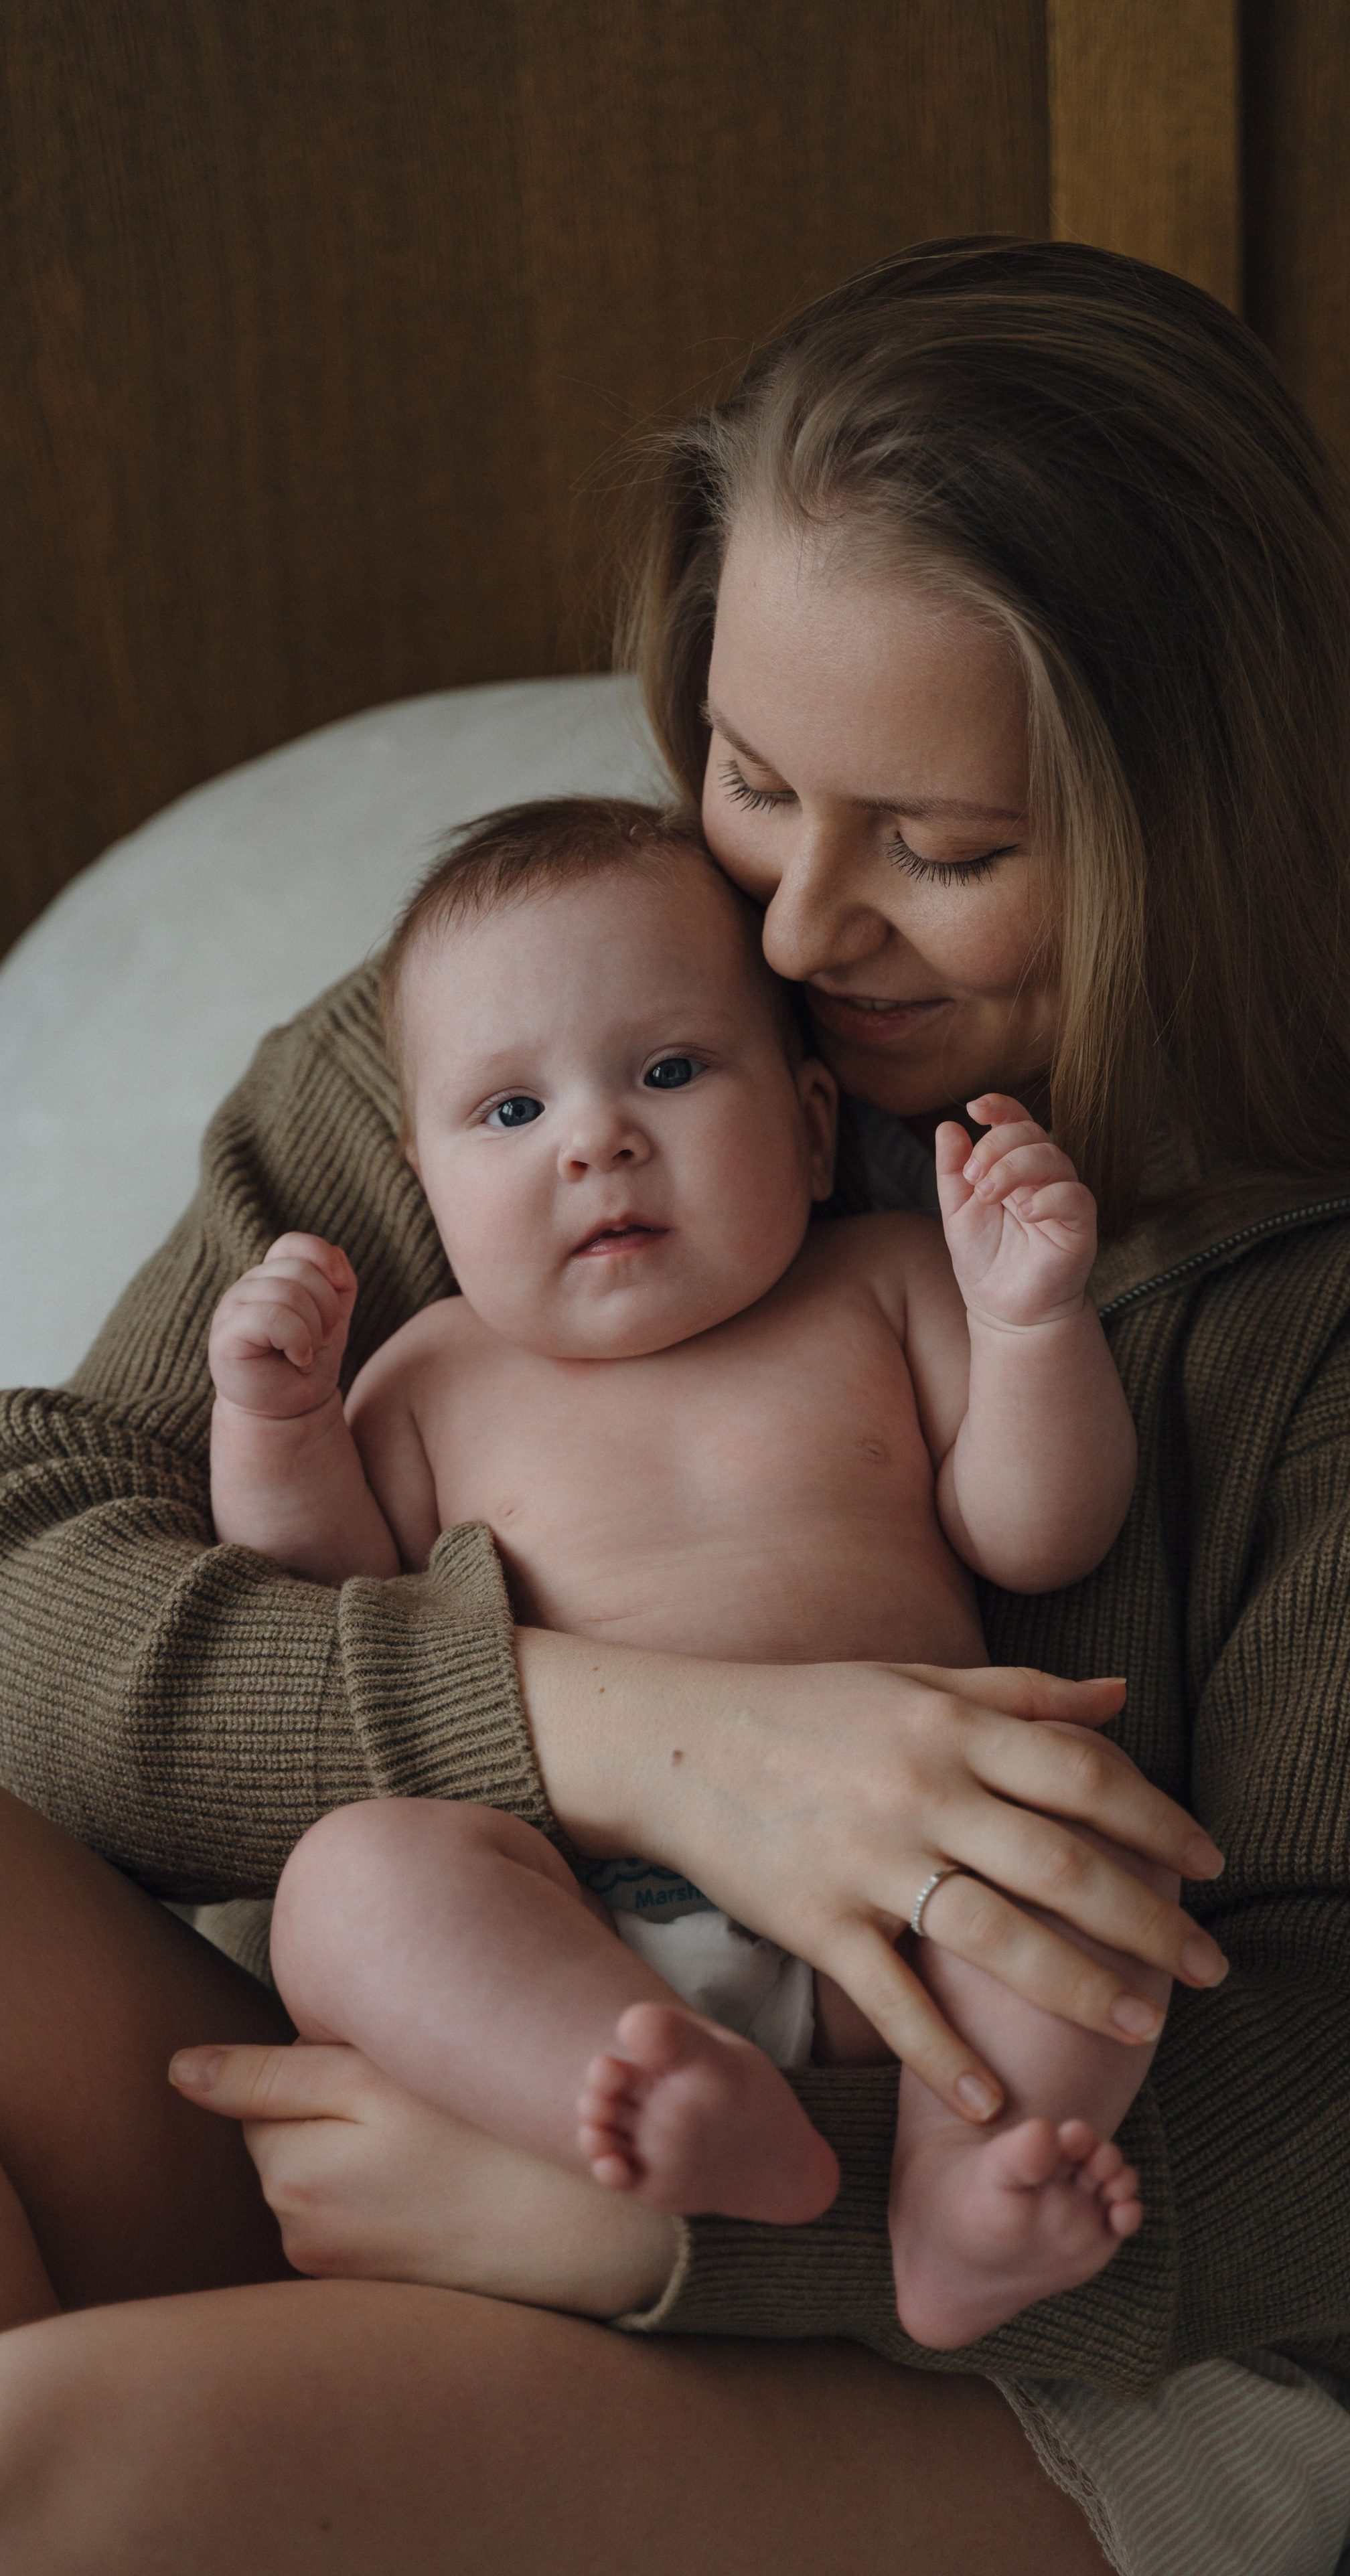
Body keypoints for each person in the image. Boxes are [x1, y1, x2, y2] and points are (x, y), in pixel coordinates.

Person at [0, 236, 1350, 2575]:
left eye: (948, 849)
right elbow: (29, 1584)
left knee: (47, 2461)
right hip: (434, 2065)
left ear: (1199, 830)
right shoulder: (513, 1043)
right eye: (754, 778)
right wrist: (626, 1729)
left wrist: (673, 2232)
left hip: (1030, 2308)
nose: (792, 930)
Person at [216, 793, 1171, 2349]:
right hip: (580, 1919)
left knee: (1092, 1847)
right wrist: (274, 1420)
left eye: (667, 1071)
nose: (595, 1137)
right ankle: (653, 2088)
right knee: (355, 1881)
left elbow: (1039, 1531)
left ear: (806, 1125)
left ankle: (962, 2189)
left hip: (910, 1907)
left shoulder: (880, 1286)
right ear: (423, 1178)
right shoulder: (430, 1371)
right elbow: (315, 1598)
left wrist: (1029, 1324)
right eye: (508, 1114)